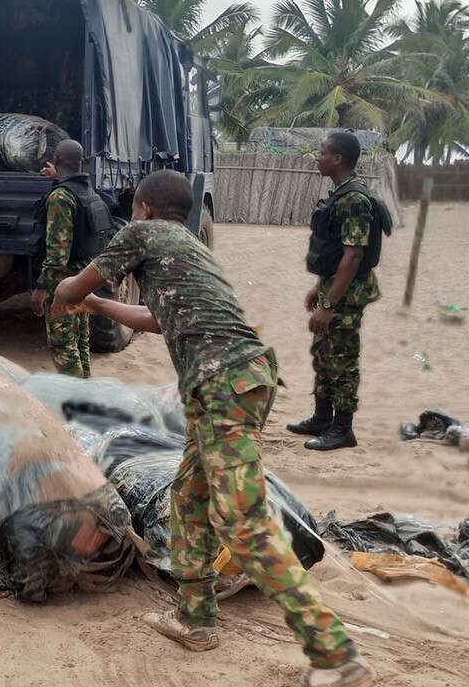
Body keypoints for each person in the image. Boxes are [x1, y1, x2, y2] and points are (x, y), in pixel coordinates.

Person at [52, 170, 372, 687]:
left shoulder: (140, 234)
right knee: (188, 496)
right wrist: (94, 304)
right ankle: (195, 619)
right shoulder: (190, 250)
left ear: (145, 208)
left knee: (244, 524)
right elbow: (155, 319)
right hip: (237, 381)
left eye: (134, 208)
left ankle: (335, 654)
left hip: (222, 384)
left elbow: (74, 283)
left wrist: (67, 290)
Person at [286, 131, 389, 452]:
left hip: (348, 294)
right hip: (334, 287)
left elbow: (354, 255)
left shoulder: (354, 200)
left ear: (338, 159)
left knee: (342, 358)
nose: (317, 157)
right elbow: (333, 252)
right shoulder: (341, 194)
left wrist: (329, 304)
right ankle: (322, 417)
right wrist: (319, 288)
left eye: (322, 152)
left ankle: (343, 429)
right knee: (324, 352)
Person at [33, 139, 111, 377]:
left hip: (63, 283)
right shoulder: (87, 190)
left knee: (63, 346)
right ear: (81, 163)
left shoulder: (61, 197)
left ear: (57, 161)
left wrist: (42, 288)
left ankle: (75, 400)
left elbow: (57, 254)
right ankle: (85, 389)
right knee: (80, 339)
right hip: (83, 277)